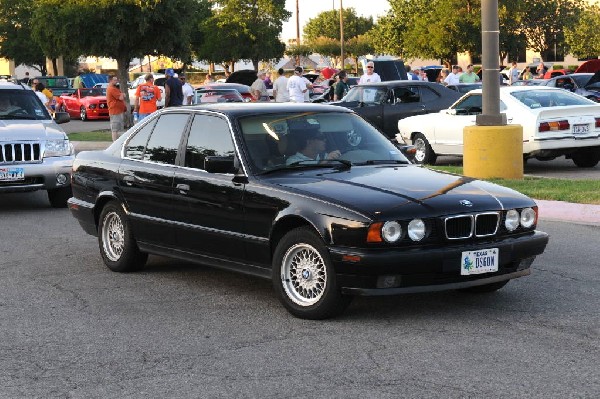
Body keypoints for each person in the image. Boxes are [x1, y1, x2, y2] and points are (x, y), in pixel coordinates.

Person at [106, 75, 127, 141]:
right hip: (115, 111)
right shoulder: (111, 89)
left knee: (118, 128)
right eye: (114, 80)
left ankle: (117, 142)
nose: (116, 81)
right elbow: (121, 97)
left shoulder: (114, 88)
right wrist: (122, 94)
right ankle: (114, 143)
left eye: (116, 80)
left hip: (118, 111)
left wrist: (122, 94)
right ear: (110, 80)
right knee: (115, 129)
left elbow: (122, 95)